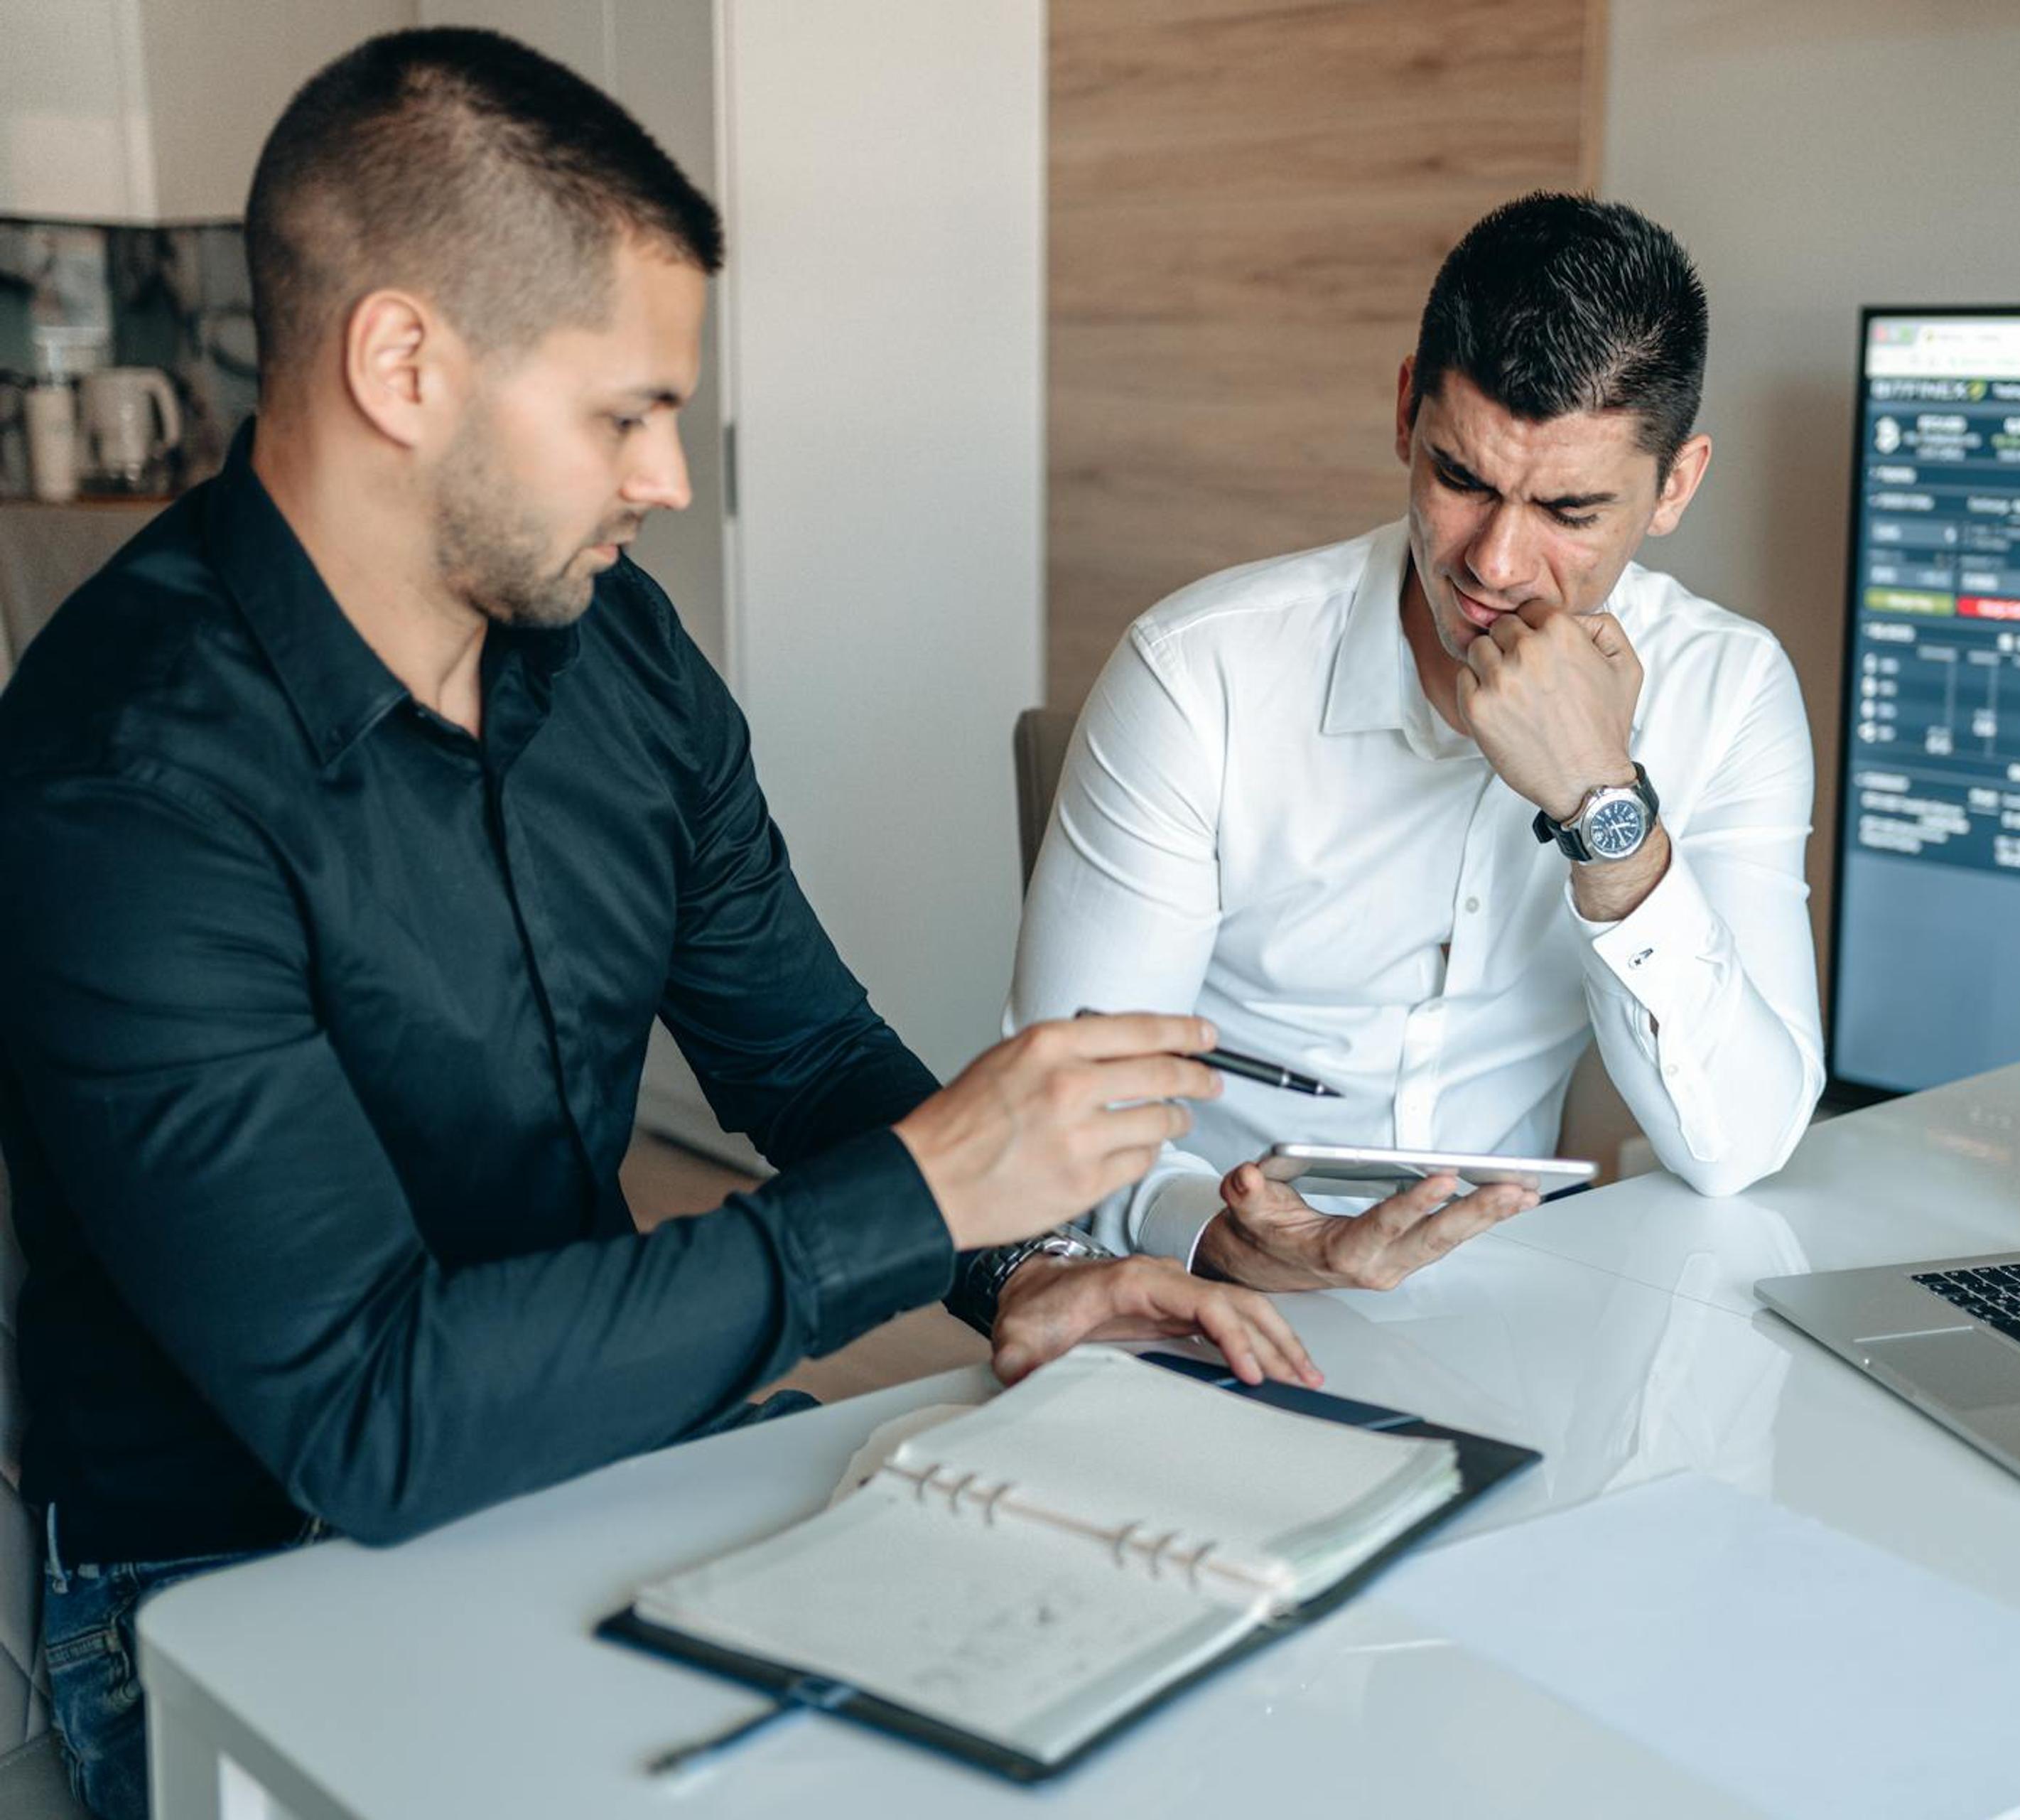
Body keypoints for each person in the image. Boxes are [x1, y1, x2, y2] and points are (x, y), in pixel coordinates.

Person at [0, 31, 1307, 1819]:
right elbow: (371, 1417)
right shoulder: (122, 779)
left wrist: (1028, 1268)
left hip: (609, 1451)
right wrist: (926, 1191)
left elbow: (806, 1051)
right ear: (404, 365)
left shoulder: (614, 652)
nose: (671, 480)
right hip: (228, 1568)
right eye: (625, 414)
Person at [1011, 193, 1824, 1293]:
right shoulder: (1199, 671)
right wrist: (1220, 1233)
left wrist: (1604, 811)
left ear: (1674, 485)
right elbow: (1057, 1116)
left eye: (1570, 512)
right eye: (1461, 479)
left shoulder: (1729, 690)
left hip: (1525, 1301)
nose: (1494, 562)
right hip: (1205, 1285)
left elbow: (1740, 1144)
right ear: (1406, 412)